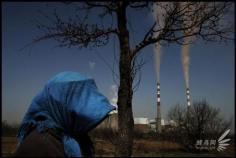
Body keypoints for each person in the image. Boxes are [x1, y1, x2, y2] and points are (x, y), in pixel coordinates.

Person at [13, 71, 116, 157]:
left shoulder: (73, 136)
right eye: (80, 112)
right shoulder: (40, 146)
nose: (85, 119)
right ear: (61, 107)